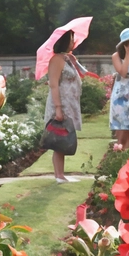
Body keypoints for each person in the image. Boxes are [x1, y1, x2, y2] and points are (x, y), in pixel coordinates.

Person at [44, 30, 86, 184]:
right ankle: (59, 176)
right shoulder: (56, 60)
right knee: (59, 139)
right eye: (71, 39)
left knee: (64, 138)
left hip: (70, 104)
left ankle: (61, 175)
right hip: (61, 104)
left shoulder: (67, 59)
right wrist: (58, 108)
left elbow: (83, 74)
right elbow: (54, 84)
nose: (73, 42)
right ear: (65, 40)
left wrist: (73, 61)